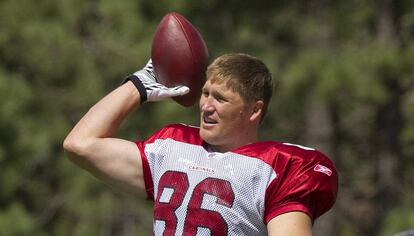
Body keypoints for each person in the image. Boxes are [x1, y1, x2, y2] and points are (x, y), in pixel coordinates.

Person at [63, 53, 338, 236]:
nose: (206, 105)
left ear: (254, 111)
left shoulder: (277, 168)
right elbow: (80, 144)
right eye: (205, 93)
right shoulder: (173, 146)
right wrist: (138, 86)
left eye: (220, 98)